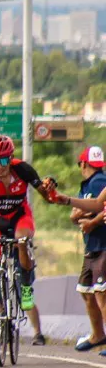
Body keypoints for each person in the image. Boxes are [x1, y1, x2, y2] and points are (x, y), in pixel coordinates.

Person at [0, 134, 57, 350]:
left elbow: (47, 197)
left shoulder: (23, 169)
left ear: (11, 157)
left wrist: (49, 188)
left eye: (3, 160)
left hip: (20, 216)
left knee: (22, 240)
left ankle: (25, 288)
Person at [70, 146, 106, 353]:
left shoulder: (99, 182)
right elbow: (76, 213)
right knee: (86, 291)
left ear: (83, 164)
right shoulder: (88, 185)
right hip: (92, 245)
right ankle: (97, 334)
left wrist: (91, 222)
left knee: (101, 292)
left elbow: (98, 207)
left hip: (102, 244)